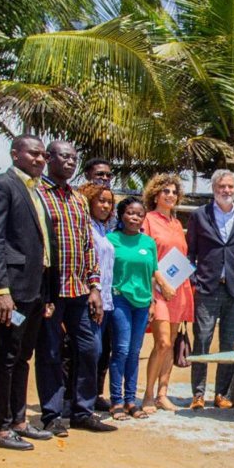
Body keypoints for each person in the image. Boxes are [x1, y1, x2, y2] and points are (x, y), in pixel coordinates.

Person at [35, 141, 115, 434]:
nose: (69, 162)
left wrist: (95, 287)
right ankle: (52, 414)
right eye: (63, 156)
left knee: (90, 349)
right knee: (51, 353)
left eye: (73, 158)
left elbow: (87, 246)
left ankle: (83, 410)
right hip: (51, 290)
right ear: (48, 158)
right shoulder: (38, 195)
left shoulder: (79, 200)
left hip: (80, 289)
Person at [0, 135, 55, 450]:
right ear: (15, 154)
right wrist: (0, 289)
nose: (39, 159)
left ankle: (19, 421)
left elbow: (43, 245)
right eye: (33, 153)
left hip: (35, 292)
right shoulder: (3, 186)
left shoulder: (37, 191)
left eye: (43, 155)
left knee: (23, 356)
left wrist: (47, 294)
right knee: (6, 357)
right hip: (12, 294)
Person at [187, 169, 234, 410]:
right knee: (202, 340)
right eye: (222, 186)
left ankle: (221, 393)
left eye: (230, 186)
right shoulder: (199, 215)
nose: (226, 190)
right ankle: (198, 394)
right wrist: (193, 282)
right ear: (214, 189)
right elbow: (190, 253)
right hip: (206, 289)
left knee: (229, 344)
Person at [142, 174, 194, 413]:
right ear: (155, 195)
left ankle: (163, 393)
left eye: (174, 192)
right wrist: (161, 284)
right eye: (165, 191)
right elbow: (147, 256)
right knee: (161, 342)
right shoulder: (148, 220)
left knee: (171, 343)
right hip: (158, 288)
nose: (170, 195)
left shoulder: (176, 223)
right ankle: (148, 394)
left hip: (178, 289)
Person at [106, 197, 160, 420]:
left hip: (143, 302)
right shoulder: (111, 240)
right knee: (121, 349)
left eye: (139, 214)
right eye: (130, 213)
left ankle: (131, 400)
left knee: (135, 351)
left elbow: (153, 274)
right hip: (120, 299)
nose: (134, 217)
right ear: (121, 215)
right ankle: (116, 401)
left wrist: (153, 301)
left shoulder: (148, 243)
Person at [81, 157, 114, 410]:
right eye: (99, 174)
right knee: (87, 349)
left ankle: (94, 395)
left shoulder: (105, 226)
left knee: (103, 350)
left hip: (108, 297)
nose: (104, 178)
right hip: (88, 295)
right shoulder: (82, 220)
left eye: (107, 175)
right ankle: (75, 399)